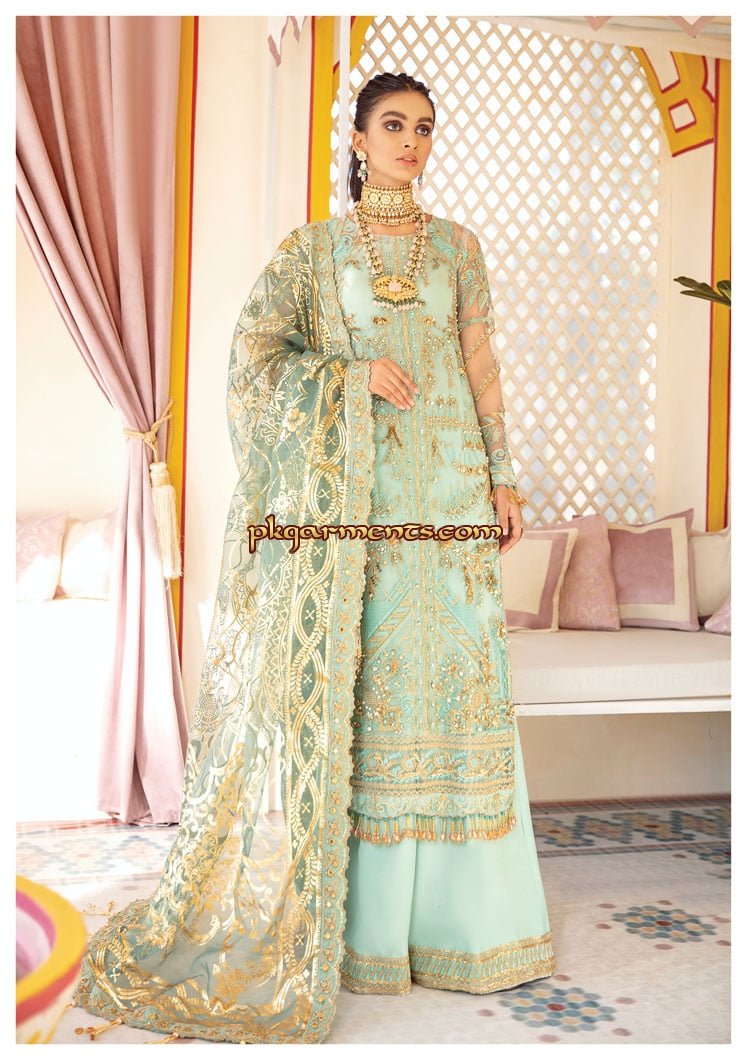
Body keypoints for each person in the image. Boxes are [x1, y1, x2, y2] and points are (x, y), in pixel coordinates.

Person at [75, 71, 554, 1044]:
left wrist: (503, 479)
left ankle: (472, 928)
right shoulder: (313, 253)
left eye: (425, 127)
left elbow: (482, 369)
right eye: (394, 125)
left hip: (451, 500)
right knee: (372, 699)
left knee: (458, 695)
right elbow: (254, 364)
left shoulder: (459, 248)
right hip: (357, 514)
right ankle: (367, 933)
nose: (412, 142)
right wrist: (345, 376)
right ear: (359, 138)